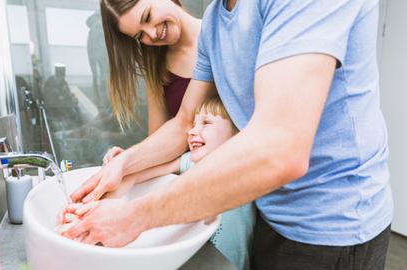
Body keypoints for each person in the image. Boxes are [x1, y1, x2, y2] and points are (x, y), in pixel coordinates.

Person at [66, 0, 392, 269]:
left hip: (334, 224)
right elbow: (183, 123)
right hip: (271, 209)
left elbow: (280, 149)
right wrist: (124, 167)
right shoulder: (214, 21)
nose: (151, 34)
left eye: (149, 18)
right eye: (141, 33)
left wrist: (133, 217)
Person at [59, 96, 255, 269]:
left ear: (237, 133)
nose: (193, 131)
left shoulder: (245, 171)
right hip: (199, 255)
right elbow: (147, 173)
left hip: (228, 263)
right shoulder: (190, 162)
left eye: (206, 123)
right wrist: (123, 164)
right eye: (193, 124)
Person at [99, 0, 201, 133]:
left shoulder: (225, 36)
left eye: (147, 16)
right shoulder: (157, 68)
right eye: (140, 35)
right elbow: (158, 136)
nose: (153, 34)